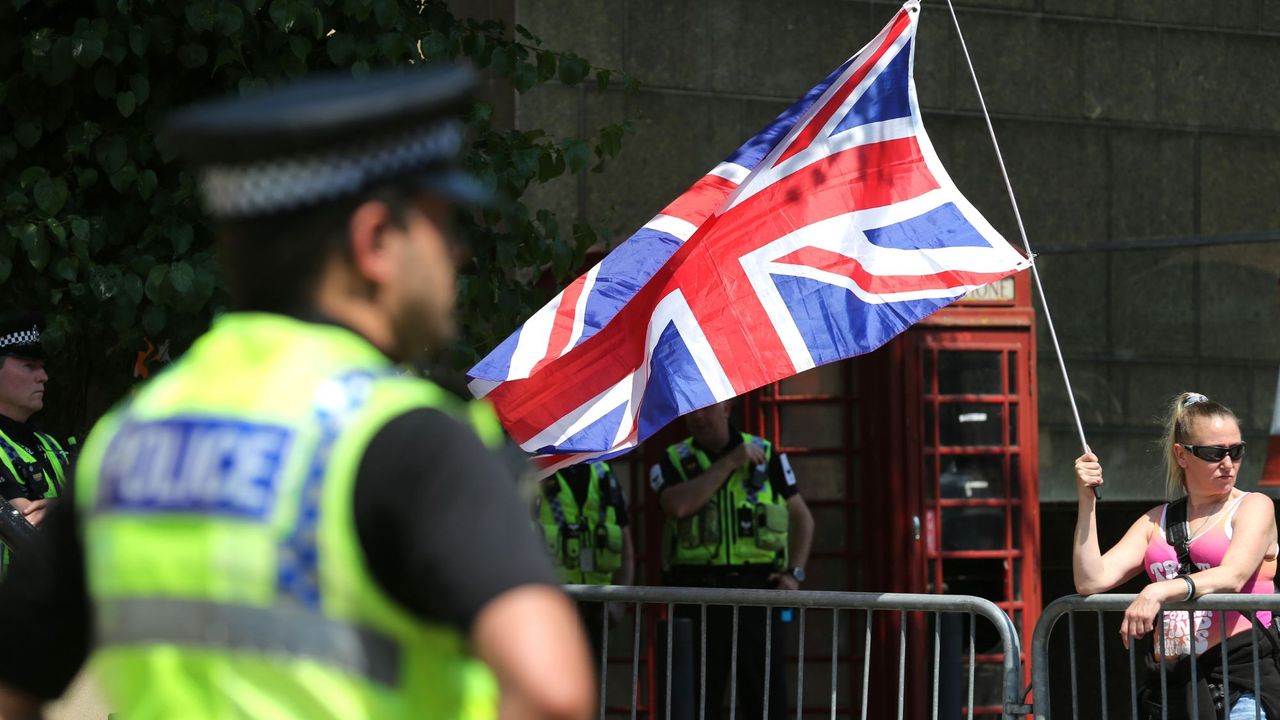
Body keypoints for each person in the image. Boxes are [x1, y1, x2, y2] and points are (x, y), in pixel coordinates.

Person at [0, 66, 594, 720]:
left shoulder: (131, 436)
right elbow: (549, 691)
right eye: (443, 222)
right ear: (374, 241)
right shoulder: (405, 438)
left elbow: (16, 687)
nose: (458, 252)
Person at [1073, 391, 1280, 720]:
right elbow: (1090, 579)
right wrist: (1087, 501)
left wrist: (1159, 589)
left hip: (1241, 683)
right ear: (1182, 455)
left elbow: (1234, 575)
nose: (1228, 464)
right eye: (1214, 453)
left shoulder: (1254, 506)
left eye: (1236, 451)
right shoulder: (1155, 520)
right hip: (1173, 687)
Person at [651, 400, 814, 720]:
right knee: (696, 700)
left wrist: (794, 574)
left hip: (757, 593)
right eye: (689, 410)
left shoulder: (767, 454)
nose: (697, 417)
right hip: (696, 594)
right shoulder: (674, 459)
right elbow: (677, 507)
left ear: (726, 408)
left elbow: (804, 520)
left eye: (705, 408)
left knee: (764, 699)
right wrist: (729, 463)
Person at [535, 460, 635, 660]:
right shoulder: (539, 468)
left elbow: (627, 547)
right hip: (555, 601)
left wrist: (620, 602)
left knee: (590, 682)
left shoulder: (603, 471)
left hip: (597, 605)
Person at [0, 313, 73, 572]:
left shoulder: (49, 443)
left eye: (42, 367)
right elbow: (26, 520)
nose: (43, 377)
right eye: (29, 366)